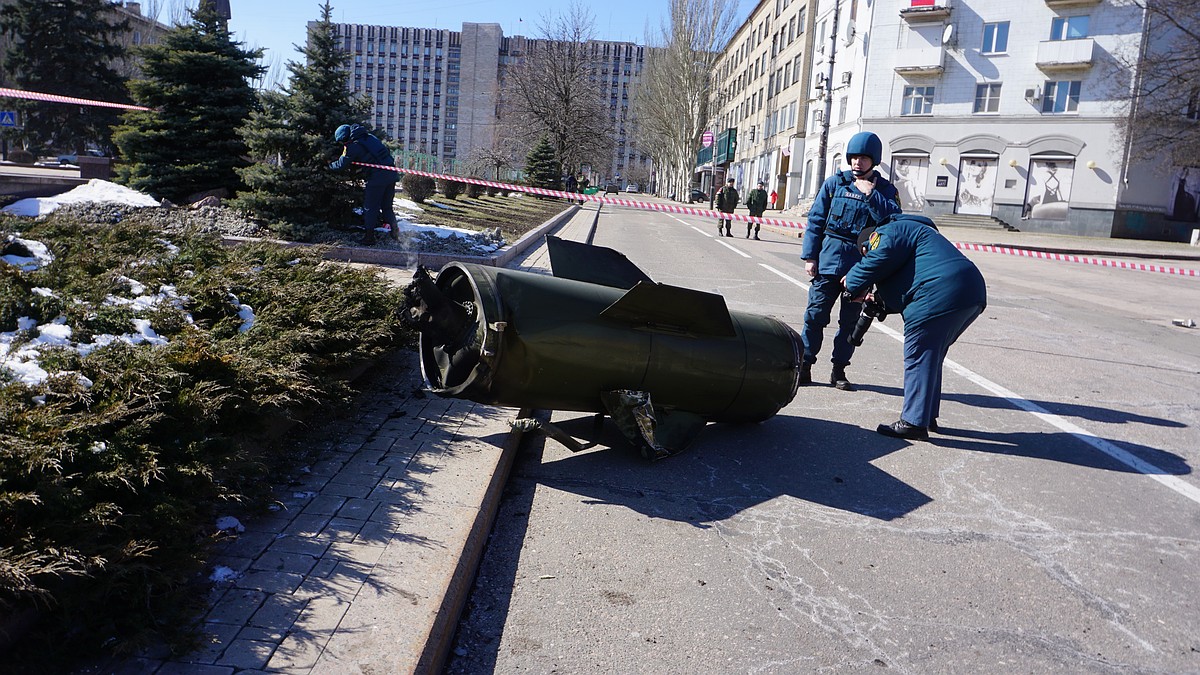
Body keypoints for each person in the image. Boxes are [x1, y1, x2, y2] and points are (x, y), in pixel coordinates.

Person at [842, 214, 987, 440]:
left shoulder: (887, 231)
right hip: (971, 292)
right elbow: (903, 288)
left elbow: (880, 255)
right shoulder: (919, 234)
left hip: (941, 290)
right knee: (931, 355)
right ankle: (926, 415)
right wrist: (877, 301)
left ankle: (913, 422)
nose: (867, 255)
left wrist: (851, 283)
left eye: (865, 251)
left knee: (918, 353)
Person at [800, 131, 901, 390]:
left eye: (864, 158)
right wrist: (811, 256)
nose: (858, 163)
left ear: (874, 161)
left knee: (850, 323)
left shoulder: (886, 190)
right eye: (854, 157)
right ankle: (805, 364)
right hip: (828, 261)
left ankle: (838, 371)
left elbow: (893, 223)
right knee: (815, 316)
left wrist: (871, 195)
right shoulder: (835, 184)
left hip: (861, 267)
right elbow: (816, 221)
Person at [328, 123, 399, 245]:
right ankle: (395, 233)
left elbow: (341, 165)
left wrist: (328, 165)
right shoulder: (369, 137)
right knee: (387, 206)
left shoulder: (352, 146)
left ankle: (369, 237)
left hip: (377, 177)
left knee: (370, 207)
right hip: (391, 173)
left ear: (345, 138)